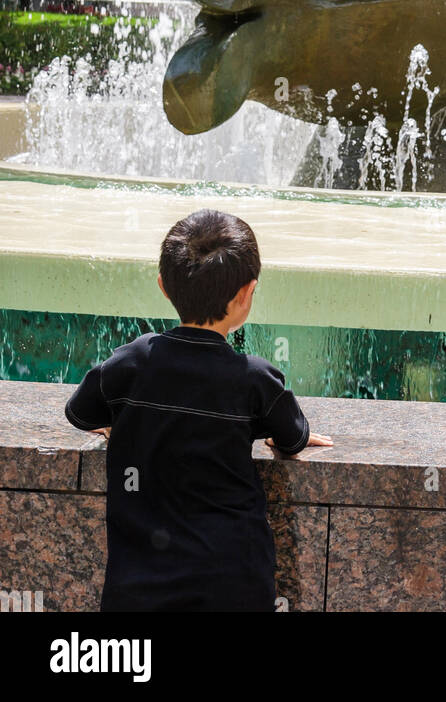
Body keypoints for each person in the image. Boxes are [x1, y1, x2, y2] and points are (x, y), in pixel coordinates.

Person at [64, 208, 331, 612]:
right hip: (233, 580)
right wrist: (281, 434)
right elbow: (292, 436)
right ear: (246, 294)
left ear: (164, 288)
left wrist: (117, 422)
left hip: (140, 581)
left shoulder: (131, 363)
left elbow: (79, 412)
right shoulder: (255, 378)